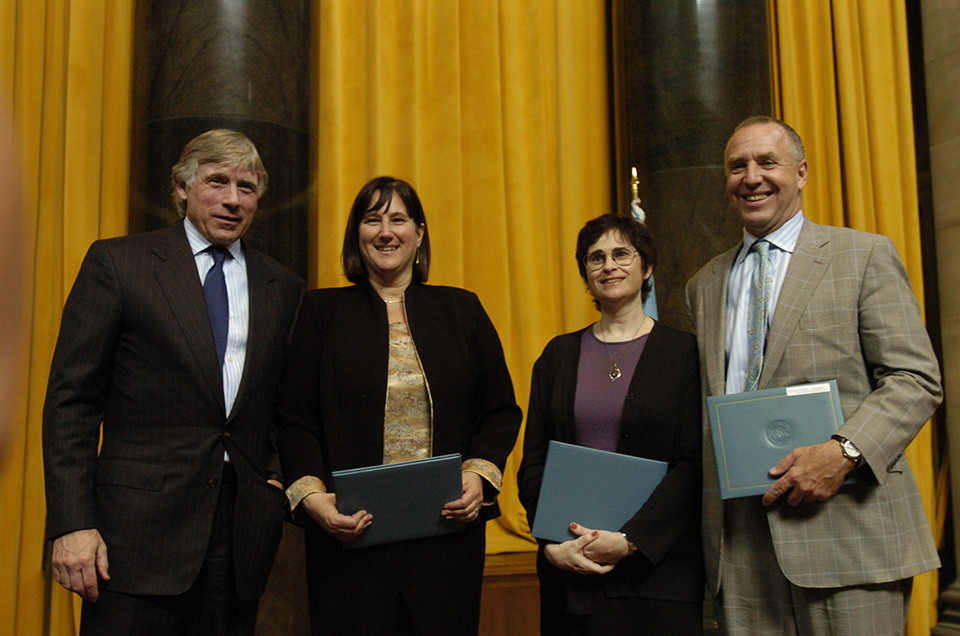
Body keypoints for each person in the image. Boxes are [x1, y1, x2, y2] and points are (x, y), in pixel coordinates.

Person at [42, 129, 305, 635]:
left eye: (246, 187)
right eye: (217, 182)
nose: (232, 199)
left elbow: (284, 405)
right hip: (133, 539)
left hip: (240, 539)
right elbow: (71, 403)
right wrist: (73, 523)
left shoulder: (284, 287)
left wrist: (273, 479)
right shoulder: (120, 264)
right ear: (182, 187)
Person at [686, 116, 942, 634]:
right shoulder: (704, 284)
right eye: (738, 166)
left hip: (846, 531)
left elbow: (916, 378)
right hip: (740, 550)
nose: (751, 176)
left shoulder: (862, 255)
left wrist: (843, 453)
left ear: (800, 173)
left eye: (767, 162)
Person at [277, 176, 522, 636]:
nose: (385, 232)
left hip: (447, 537)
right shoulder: (319, 313)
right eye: (372, 220)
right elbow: (294, 420)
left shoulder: (462, 310)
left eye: (398, 219)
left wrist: (478, 475)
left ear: (419, 232)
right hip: (348, 540)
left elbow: (500, 411)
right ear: (357, 234)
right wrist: (313, 500)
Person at [517, 214, 704, 636]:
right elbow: (533, 464)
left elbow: (694, 463)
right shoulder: (557, 356)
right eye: (595, 258)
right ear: (585, 273)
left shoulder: (684, 353)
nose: (608, 265)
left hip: (659, 574)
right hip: (571, 569)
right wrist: (552, 545)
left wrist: (631, 539)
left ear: (647, 266)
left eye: (622, 254)